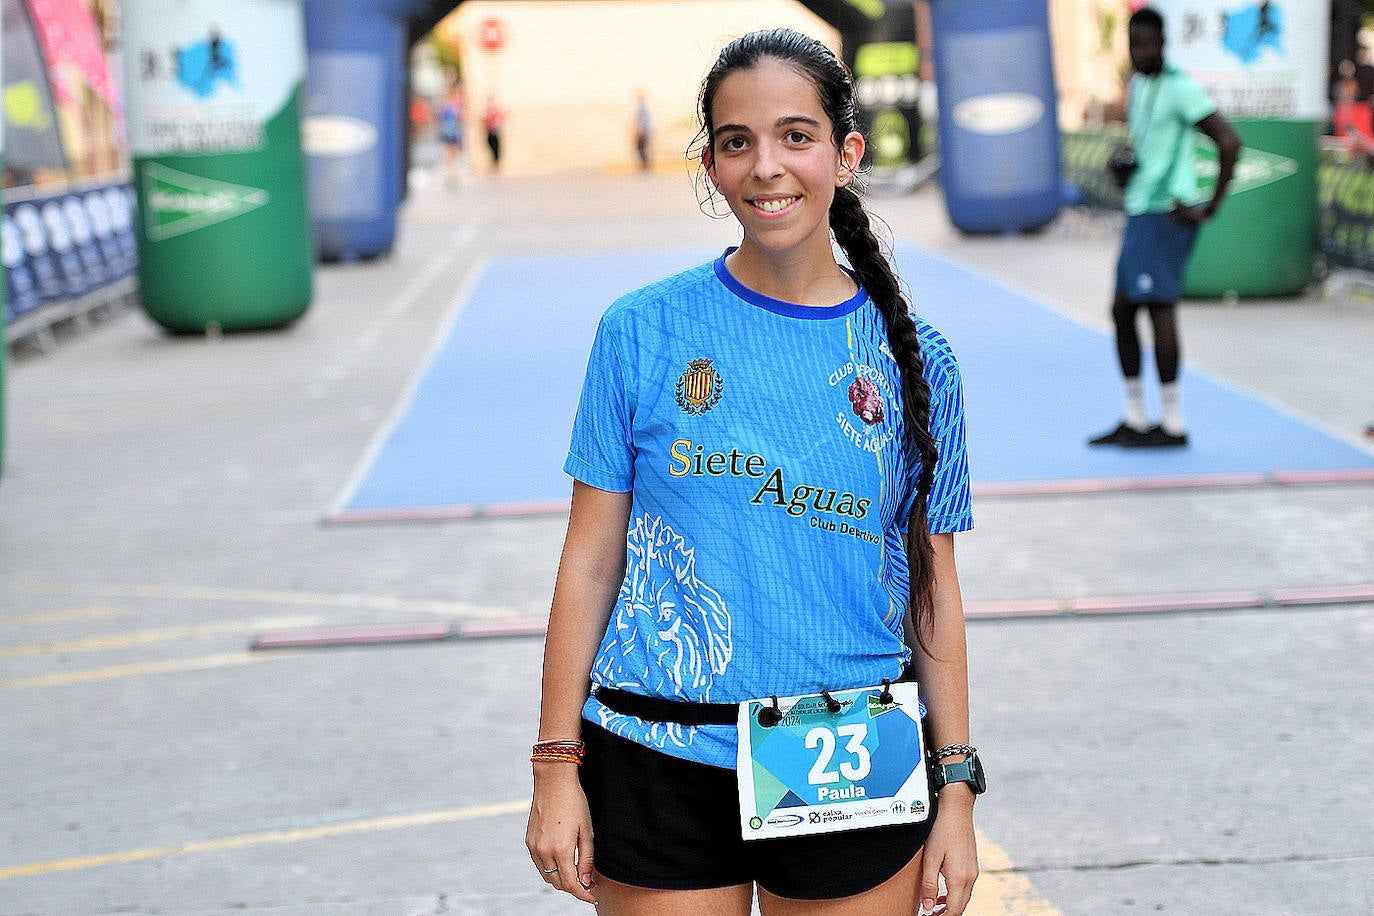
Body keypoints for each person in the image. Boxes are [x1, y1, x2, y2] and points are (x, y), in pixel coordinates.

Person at [526, 28, 981, 916]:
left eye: (795, 136)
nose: (767, 166)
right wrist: (554, 763)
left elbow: (935, 589)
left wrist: (957, 784)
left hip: (848, 748)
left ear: (847, 154)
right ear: (711, 165)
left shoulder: (915, 360)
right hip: (658, 748)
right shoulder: (641, 332)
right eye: (737, 142)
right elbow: (589, 560)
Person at [1090, 6, 1241, 448]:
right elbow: (1150, 147)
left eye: (1149, 43)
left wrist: (1209, 206)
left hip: (1165, 213)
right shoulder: (1139, 85)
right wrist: (1126, 166)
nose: (1141, 52)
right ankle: (1137, 416)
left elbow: (1229, 142)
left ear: (1164, 44)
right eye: (1134, 44)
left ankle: (1171, 422)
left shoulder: (1180, 89)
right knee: (1122, 310)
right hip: (1141, 209)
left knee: (1157, 309)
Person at [438, 82, 465, 186]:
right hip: (449, 130)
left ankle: (453, 173)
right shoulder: (447, 105)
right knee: (449, 152)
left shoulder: (456, 104)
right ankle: (449, 173)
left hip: (454, 130)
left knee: (454, 152)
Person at [632, 90, 653, 172]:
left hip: (643, 131)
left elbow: (642, 121)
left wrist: (640, 130)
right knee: (643, 148)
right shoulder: (644, 107)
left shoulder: (642, 108)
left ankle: (645, 166)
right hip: (645, 131)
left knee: (641, 148)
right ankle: (645, 165)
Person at [484, 96, 504, 170]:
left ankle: (496, 165)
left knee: (497, 149)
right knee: (491, 149)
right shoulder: (487, 113)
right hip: (489, 133)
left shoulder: (496, 112)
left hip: (496, 133)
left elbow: (500, 120)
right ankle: (493, 164)